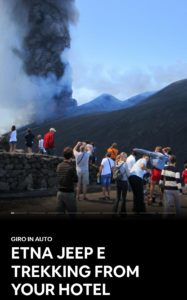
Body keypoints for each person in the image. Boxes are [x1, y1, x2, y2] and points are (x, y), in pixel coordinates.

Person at [56, 147, 78, 218]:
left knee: (59, 214)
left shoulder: (59, 166)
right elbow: (76, 180)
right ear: (71, 156)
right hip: (69, 193)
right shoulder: (71, 168)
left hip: (59, 192)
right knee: (72, 214)